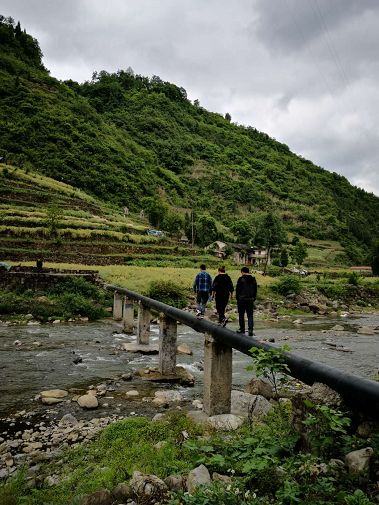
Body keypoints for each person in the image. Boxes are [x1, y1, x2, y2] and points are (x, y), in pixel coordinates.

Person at [236, 266, 257, 336]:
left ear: (242, 272)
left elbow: (237, 290)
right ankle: (250, 330)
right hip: (250, 300)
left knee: (241, 315)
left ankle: (242, 329)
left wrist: (237, 298)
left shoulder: (241, 279)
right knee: (250, 315)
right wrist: (254, 298)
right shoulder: (253, 279)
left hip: (242, 300)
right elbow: (255, 290)